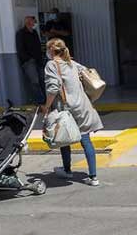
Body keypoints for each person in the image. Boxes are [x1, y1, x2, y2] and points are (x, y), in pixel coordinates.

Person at [43, 38, 103, 187]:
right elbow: (87, 72)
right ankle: (93, 176)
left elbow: (53, 88)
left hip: (66, 108)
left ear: (51, 50)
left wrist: (46, 106)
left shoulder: (51, 65)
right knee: (86, 140)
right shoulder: (72, 63)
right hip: (82, 107)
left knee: (64, 139)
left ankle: (67, 170)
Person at [16, 15, 45, 104]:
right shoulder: (21, 33)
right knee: (34, 81)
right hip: (29, 62)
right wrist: (29, 59)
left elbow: (38, 46)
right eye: (34, 21)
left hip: (38, 60)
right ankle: (39, 101)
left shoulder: (34, 32)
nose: (35, 23)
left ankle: (46, 99)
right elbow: (20, 48)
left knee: (42, 80)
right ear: (29, 22)